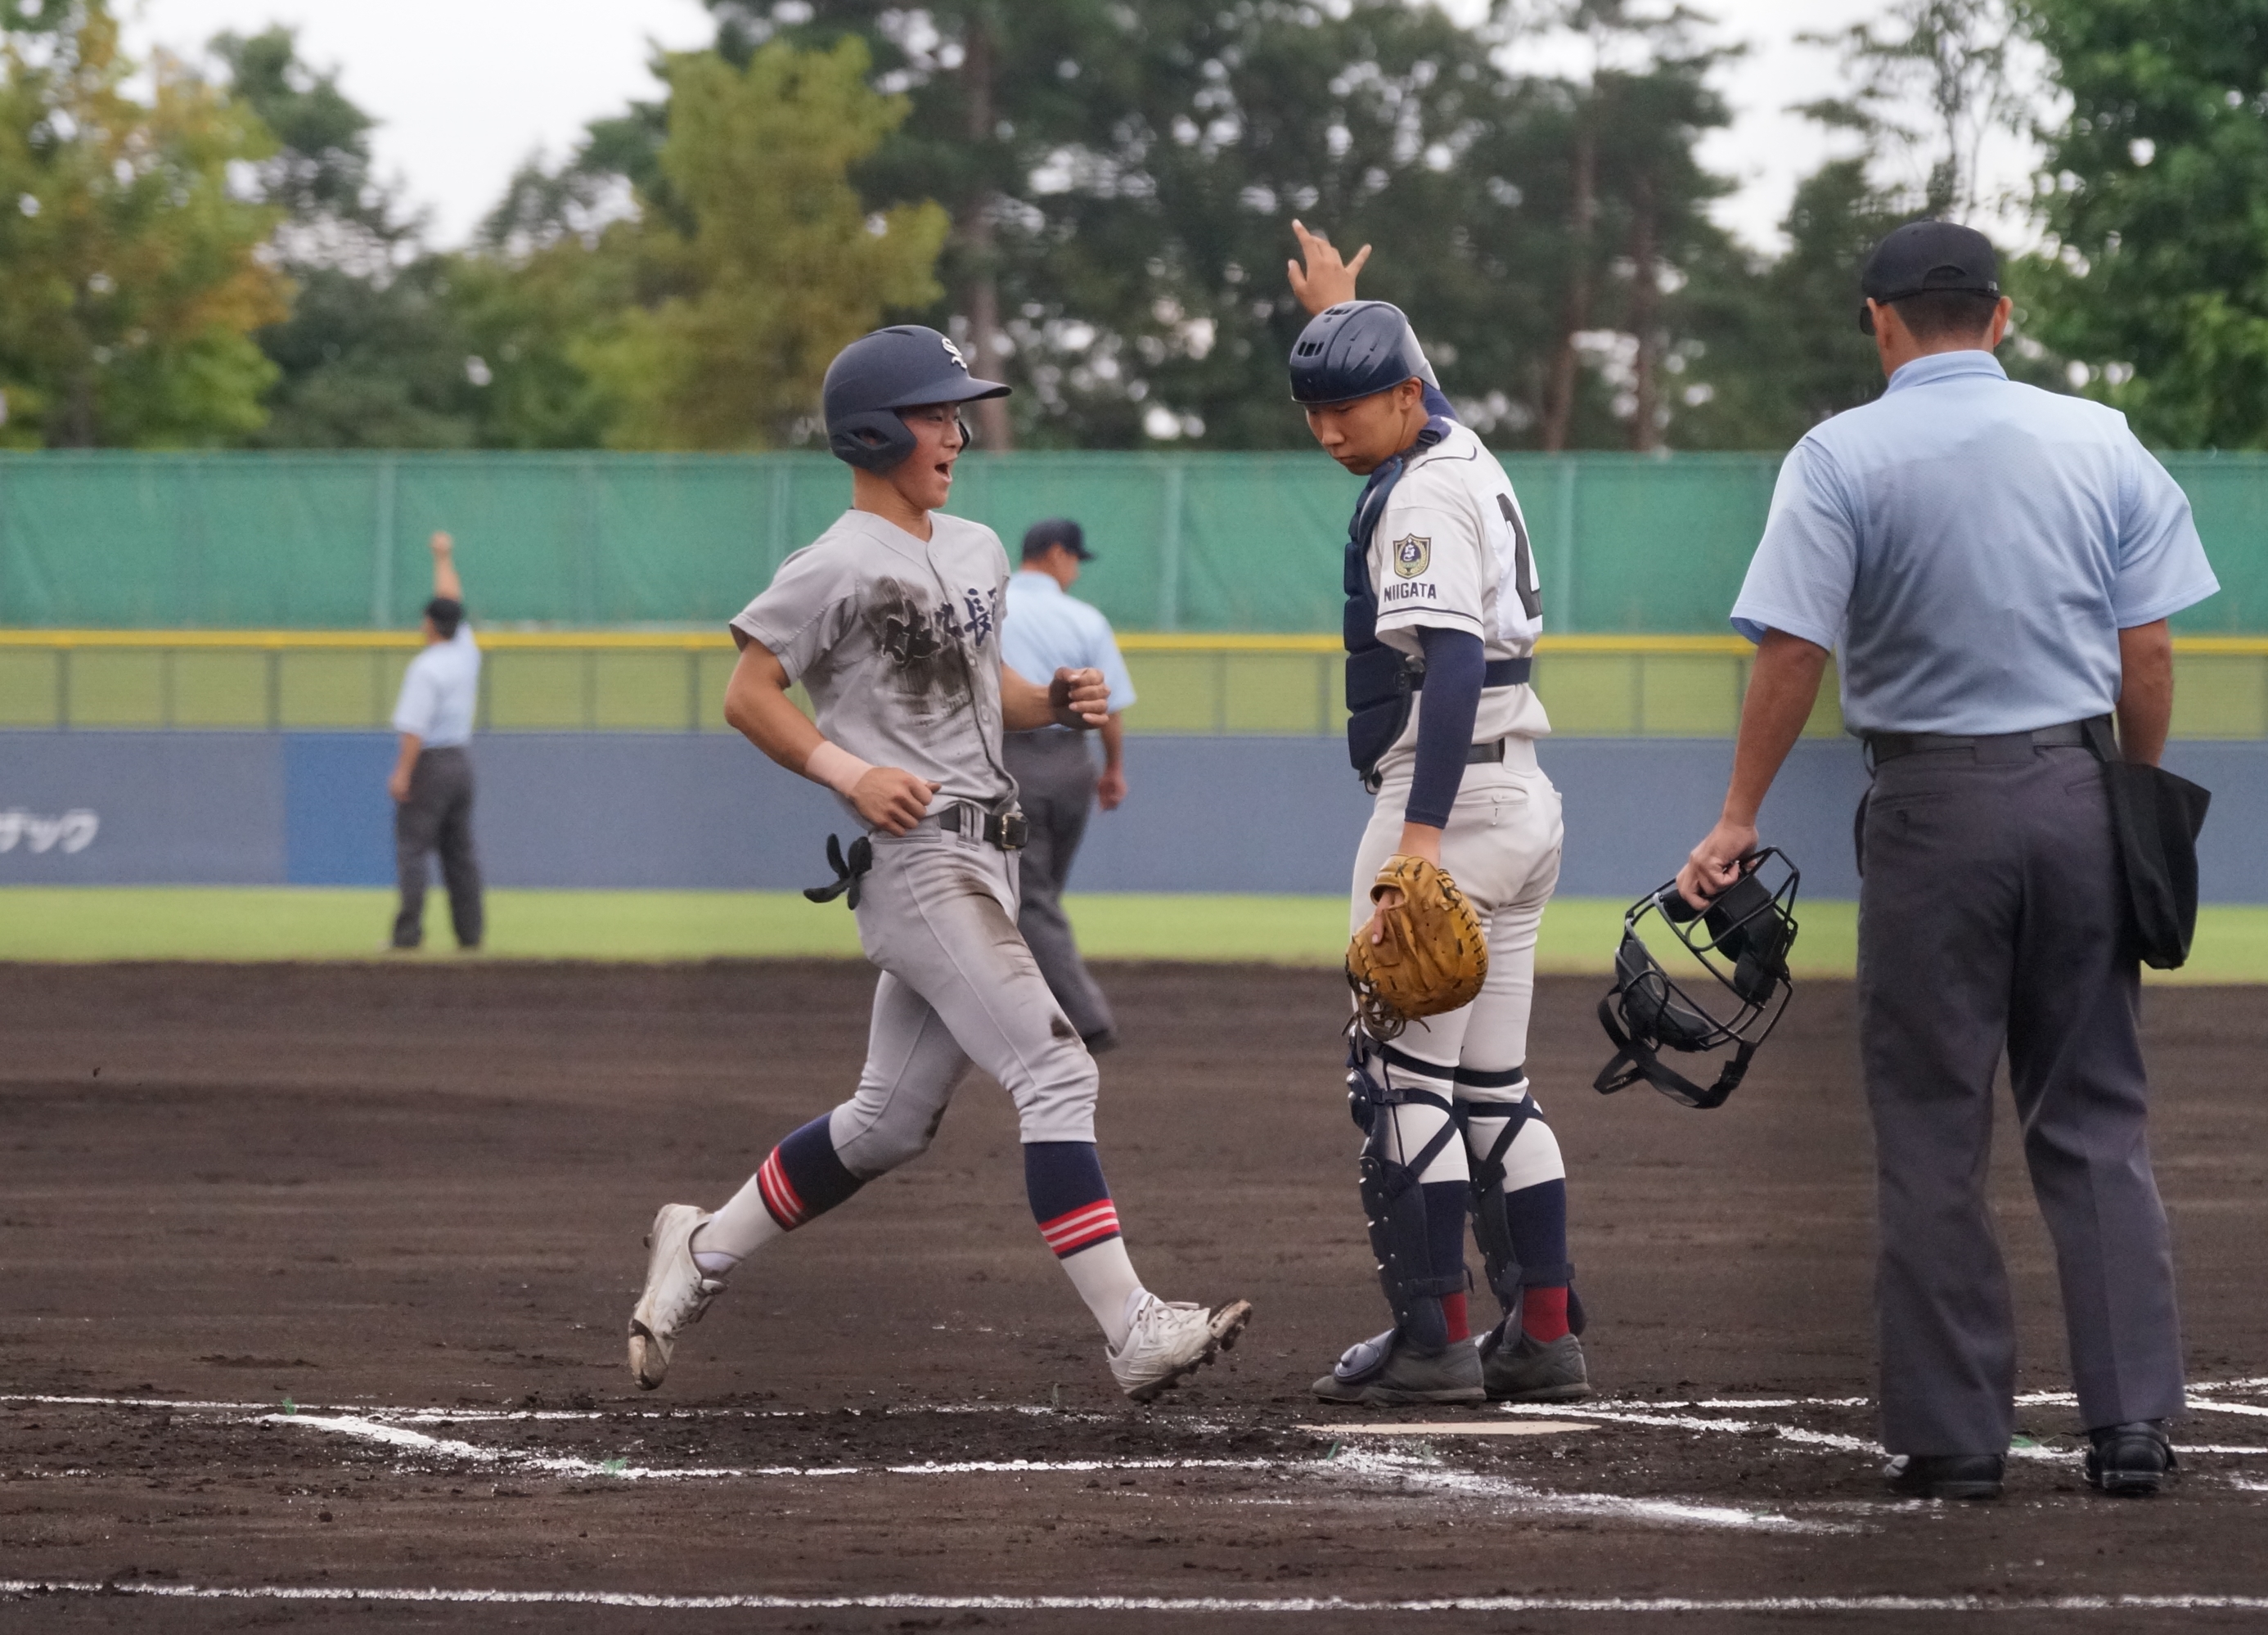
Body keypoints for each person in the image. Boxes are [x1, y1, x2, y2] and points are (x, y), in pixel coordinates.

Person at [1675, 220, 2218, 1501]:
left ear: (1878, 320)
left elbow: (1793, 651)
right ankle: (2132, 1425)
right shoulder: (2100, 438)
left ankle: (1957, 1439)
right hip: (2083, 792)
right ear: (2004, 313)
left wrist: (1738, 812)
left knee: (1930, 1127)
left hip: (1931, 809)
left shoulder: (1839, 453)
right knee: (2094, 1119)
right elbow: (2148, 655)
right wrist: (2128, 793)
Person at [626, 325, 1252, 1402]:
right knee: (1056, 1066)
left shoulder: (976, 548)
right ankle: (1132, 1324)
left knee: (887, 1121)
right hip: (917, 860)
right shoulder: (832, 564)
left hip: (989, 851)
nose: (955, 431)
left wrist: (1051, 702)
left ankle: (700, 1248)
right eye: (933, 412)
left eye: (956, 411)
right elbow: (748, 692)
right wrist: (845, 770)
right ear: (874, 428)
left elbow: (982, 686)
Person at [1286, 225, 1589, 1408]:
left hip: (1449, 803)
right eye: (1314, 410)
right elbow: (1406, 380)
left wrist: (1419, 835)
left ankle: (1435, 1341)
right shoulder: (1458, 450)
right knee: (1493, 1089)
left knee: (1398, 1081)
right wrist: (1348, 305)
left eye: (1348, 408)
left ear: (1403, 398)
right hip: (1525, 805)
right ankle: (1545, 1332)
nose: (1328, 430)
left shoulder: (1419, 496)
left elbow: (1452, 661)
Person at [1000, 517, 1136, 1052]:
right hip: (1073, 765)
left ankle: (1085, 1017)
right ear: (1056, 554)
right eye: (1076, 558)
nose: (1076, 569)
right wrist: (1113, 770)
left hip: (1012, 763)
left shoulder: (992, 608)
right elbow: (1109, 707)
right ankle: (1035, 1014)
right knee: (1037, 896)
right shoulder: (1086, 619)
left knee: (1028, 899)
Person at [386, 530, 484, 952]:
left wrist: (403, 773)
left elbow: (414, 728)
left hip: (431, 764)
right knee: (460, 854)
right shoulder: (466, 653)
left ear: (429, 623)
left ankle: (408, 936)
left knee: (412, 849)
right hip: (461, 763)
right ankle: (470, 938)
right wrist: (444, 556)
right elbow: (451, 598)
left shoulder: (425, 668)